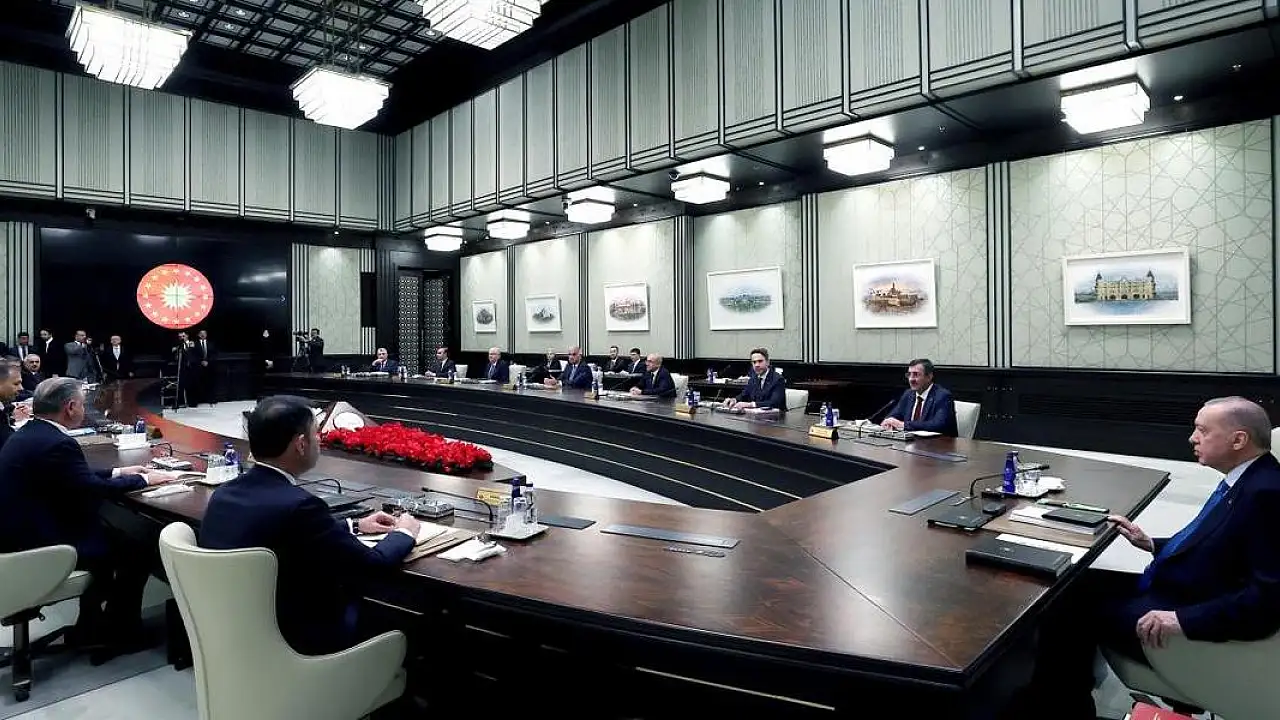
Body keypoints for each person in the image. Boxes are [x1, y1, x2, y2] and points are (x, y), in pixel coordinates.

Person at [1005, 396, 1280, 719]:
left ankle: (1056, 705)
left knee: (1068, 611)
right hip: (1183, 586)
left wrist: (1181, 620)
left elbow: (1268, 599)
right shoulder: (1250, 478)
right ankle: (1059, 693)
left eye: (1203, 431)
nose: (1192, 438)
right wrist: (1152, 544)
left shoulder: (1266, 495)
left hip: (1186, 608)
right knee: (1071, 582)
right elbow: (1219, 547)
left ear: (1239, 440)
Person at [199, 395, 421, 655]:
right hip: (297, 644)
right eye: (316, 434)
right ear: (301, 445)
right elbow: (372, 565)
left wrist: (355, 524)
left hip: (234, 636)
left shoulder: (224, 494)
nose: (320, 441)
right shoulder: (301, 506)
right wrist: (405, 531)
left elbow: (288, 534)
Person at [0, 378, 179, 660]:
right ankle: (120, 632)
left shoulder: (33, 433)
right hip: (38, 543)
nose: (85, 410)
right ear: (70, 407)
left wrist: (119, 472)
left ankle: (92, 624)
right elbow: (89, 489)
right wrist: (144, 479)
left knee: (115, 531)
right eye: (83, 404)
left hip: (18, 531)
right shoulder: (57, 442)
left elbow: (71, 477)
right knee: (138, 548)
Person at [880, 358, 958, 436]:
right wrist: (888, 422)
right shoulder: (908, 394)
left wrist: (903, 425)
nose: (911, 379)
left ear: (929, 376)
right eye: (909, 374)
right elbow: (893, 416)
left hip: (939, 442)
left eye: (916, 374)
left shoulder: (943, 396)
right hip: (910, 441)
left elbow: (938, 424)